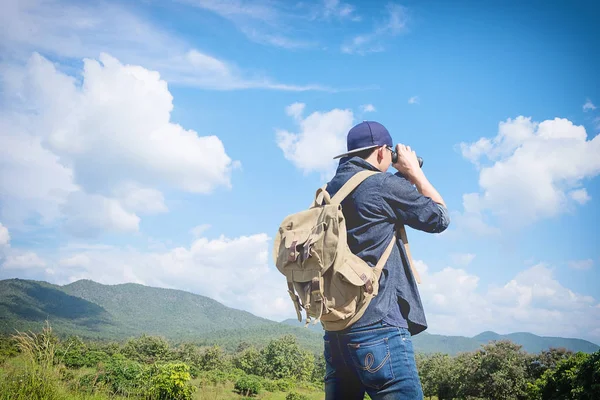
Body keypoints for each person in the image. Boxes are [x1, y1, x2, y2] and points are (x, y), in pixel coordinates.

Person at [322, 120, 450, 399]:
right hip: (379, 325)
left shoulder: (329, 192)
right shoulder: (382, 185)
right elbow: (440, 218)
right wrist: (415, 173)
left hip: (336, 329)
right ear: (382, 152)